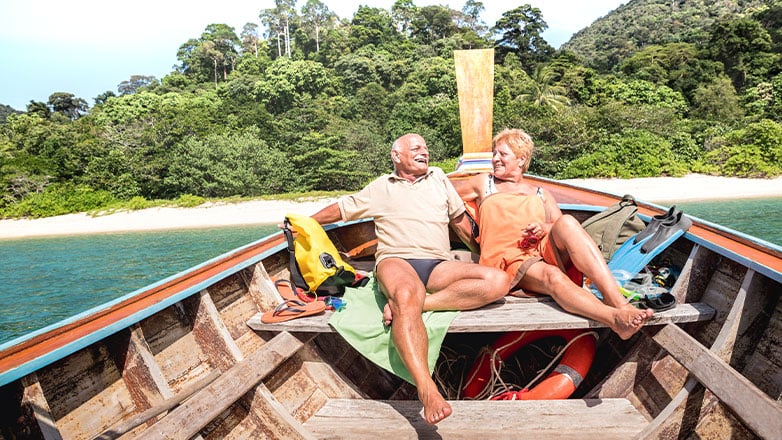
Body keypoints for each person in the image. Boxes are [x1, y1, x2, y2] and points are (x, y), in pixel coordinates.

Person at [310, 133, 510, 425]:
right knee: (405, 292)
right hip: (396, 260)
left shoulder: (439, 178)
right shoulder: (381, 186)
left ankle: (421, 305)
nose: (424, 152)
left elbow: (460, 223)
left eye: (426, 149)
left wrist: (484, 254)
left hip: (438, 263)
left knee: (498, 280)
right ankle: (427, 389)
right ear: (396, 155)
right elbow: (341, 209)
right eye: (416, 148)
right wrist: (303, 221)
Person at [452, 128, 653, 340]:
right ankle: (615, 319)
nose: (495, 159)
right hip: (508, 258)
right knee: (552, 275)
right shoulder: (485, 183)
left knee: (566, 221)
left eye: (502, 154)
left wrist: (544, 227)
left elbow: (559, 227)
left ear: (521, 160)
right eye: (495, 153)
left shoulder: (541, 193)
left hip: (542, 249)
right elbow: (444, 195)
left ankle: (619, 303)